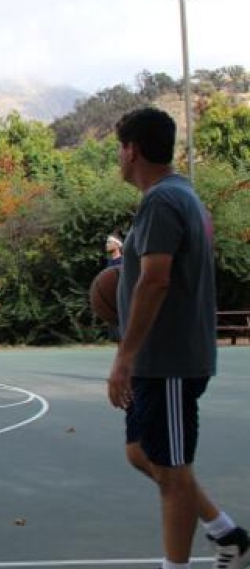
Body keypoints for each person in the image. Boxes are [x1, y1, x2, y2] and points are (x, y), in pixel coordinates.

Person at [106, 107, 248, 569]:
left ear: (132, 150)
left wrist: (124, 356)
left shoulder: (162, 202)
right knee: (141, 452)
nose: (119, 159)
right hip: (161, 360)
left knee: (169, 471)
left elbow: (156, 279)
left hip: (167, 360)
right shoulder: (184, 195)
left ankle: (179, 565)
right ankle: (226, 532)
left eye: (119, 150)